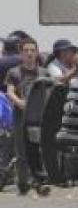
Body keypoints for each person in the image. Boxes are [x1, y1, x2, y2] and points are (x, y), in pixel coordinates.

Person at [5, 38, 48, 195]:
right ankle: (23, 183)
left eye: (32, 50)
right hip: (20, 118)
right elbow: (10, 91)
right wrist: (19, 102)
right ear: (21, 53)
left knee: (39, 151)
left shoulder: (44, 73)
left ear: (37, 52)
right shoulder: (14, 72)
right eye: (26, 50)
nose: (29, 53)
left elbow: (50, 91)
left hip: (39, 118)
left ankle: (40, 182)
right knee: (22, 152)